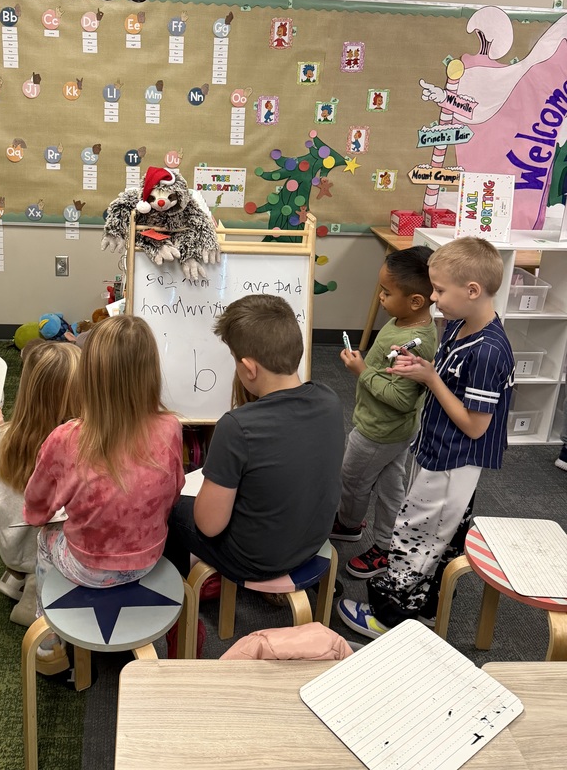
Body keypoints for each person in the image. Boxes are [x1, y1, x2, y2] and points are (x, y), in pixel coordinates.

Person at [337, 236, 515, 638]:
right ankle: (425, 606)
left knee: (417, 536)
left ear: (472, 291)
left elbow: (475, 425)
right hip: (436, 449)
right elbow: (447, 377)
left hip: (454, 458)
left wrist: (429, 377)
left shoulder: (488, 350)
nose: (432, 299)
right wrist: (423, 367)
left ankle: (390, 618)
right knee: (434, 534)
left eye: (439, 290)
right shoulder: (459, 326)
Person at [24, 315, 184, 670]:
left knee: (43, 539)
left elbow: (36, 508)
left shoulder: (66, 439)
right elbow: (174, 491)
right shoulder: (171, 427)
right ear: (151, 372)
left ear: (89, 376)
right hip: (149, 558)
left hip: (86, 566)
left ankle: (49, 643)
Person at [164, 294, 345, 584]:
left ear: (249, 368)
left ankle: (182, 595)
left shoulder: (237, 427)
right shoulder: (331, 399)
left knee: (171, 506)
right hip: (313, 540)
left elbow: (208, 526)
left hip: (257, 560)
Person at [333, 246, 438, 579]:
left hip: (378, 431)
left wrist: (362, 371)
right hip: (396, 431)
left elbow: (400, 398)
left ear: (416, 301)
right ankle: (386, 543)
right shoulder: (405, 322)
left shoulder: (414, 342)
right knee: (393, 488)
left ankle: (350, 524)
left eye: (387, 292)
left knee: (352, 480)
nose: (380, 296)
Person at [0, 339, 80, 600]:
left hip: (12, 547)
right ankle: (37, 588)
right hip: (54, 551)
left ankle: (15, 576)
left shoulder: (3, 438)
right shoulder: (77, 445)